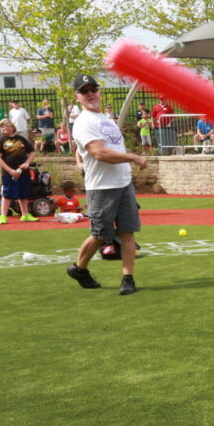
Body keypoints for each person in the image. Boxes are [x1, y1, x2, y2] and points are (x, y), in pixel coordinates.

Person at [66, 74, 148, 296]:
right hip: (101, 187)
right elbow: (99, 153)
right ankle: (79, 269)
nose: (91, 93)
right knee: (101, 234)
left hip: (123, 184)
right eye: (85, 91)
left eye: (94, 89)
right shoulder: (83, 122)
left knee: (128, 233)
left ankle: (128, 278)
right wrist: (132, 157)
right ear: (77, 97)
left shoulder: (105, 119)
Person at [0, 118, 38, 224]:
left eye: (6, 125)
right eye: (2, 126)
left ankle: (25, 215)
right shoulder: (1, 141)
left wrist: (27, 163)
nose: (4, 128)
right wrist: (9, 170)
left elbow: (32, 152)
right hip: (9, 173)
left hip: (23, 171)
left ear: (12, 127)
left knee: (23, 194)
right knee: (7, 194)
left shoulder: (21, 139)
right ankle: (3, 216)